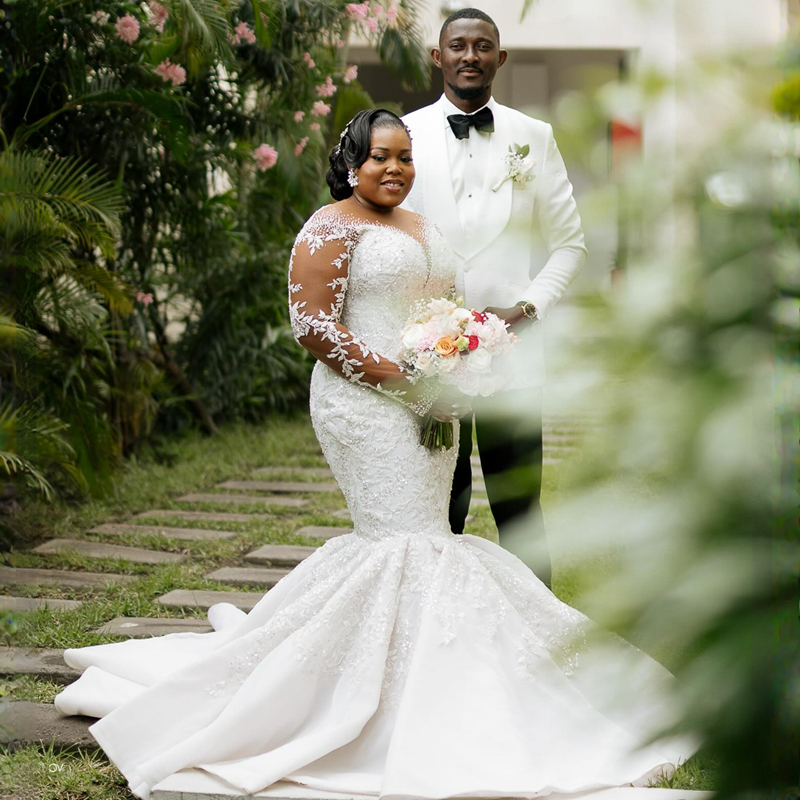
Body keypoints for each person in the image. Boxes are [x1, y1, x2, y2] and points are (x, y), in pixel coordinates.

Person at [54, 110, 697, 800]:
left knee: (428, 542)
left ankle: (436, 685)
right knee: (403, 542)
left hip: (436, 402)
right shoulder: (329, 227)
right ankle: (364, 704)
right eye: (379, 157)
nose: (394, 169)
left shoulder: (423, 228)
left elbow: (447, 311)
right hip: (362, 406)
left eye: (404, 158)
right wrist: (406, 382)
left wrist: (462, 367)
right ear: (351, 163)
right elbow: (314, 327)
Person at [402, 8, 588, 589]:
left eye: (483, 46)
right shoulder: (402, 135)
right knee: (438, 510)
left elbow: (570, 245)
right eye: (458, 45)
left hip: (514, 357)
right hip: (428, 357)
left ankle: (538, 638)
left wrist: (528, 309)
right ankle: (435, 631)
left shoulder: (534, 138)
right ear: (438, 57)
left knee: (520, 511)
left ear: (499, 59)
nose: (470, 56)